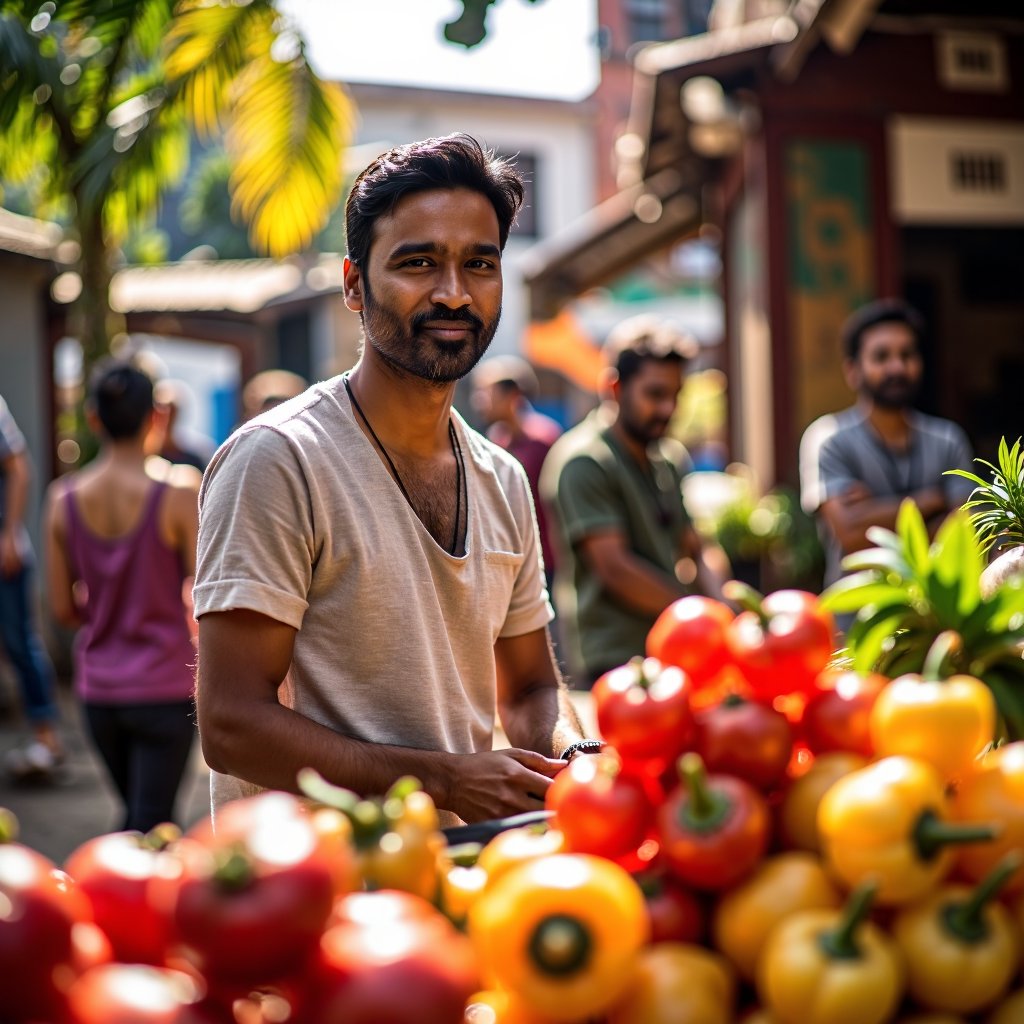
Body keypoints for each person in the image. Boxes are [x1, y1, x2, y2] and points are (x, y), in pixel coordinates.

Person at [193, 133, 593, 829]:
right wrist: (443, 782)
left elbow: (530, 687)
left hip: (464, 883)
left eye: (480, 264)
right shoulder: (279, 460)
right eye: (418, 263)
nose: (453, 293)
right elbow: (231, 726)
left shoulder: (502, 478)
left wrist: (580, 761)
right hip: (307, 894)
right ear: (354, 282)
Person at [44, 361, 200, 832]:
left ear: (93, 419)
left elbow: (62, 610)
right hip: (167, 688)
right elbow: (206, 590)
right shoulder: (178, 490)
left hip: (100, 695)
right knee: (153, 825)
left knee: (137, 819)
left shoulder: (63, 499)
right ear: (156, 415)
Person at [540, 315, 730, 688]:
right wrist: (698, 615)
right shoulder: (584, 460)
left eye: (676, 395)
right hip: (615, 660)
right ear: (614, 388)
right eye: (655, 394)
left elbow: (695, 544)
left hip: (677, 647)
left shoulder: (668, 458)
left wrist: (724, 604)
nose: (668, 409)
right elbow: (615, 568)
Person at [799, 298, 975, 591]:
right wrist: (931, 501)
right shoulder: (829, 439)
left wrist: (875, 512)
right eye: (881, 357)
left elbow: (962, 533)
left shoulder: (948, 439)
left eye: (907, 355)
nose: (897, 367)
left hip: (940, 617)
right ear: (852, 370)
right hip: (858, 620)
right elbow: (850, 534)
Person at [0, 396, 64, 780]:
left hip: (4, 552)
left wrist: (8, 532)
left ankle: (47, 738)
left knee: (20, 642)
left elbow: (19, 467)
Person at [472, 354, 562, 585]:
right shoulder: (496, 440)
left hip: (546, 562)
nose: (479, 401)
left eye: (487, 393)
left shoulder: (543, 440)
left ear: (512, 396)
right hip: (509, 559)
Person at [150, 378, 215, 472]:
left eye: (171, 412)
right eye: (160, 410)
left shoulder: (198, 454)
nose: (166, 417)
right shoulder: (145, 454)